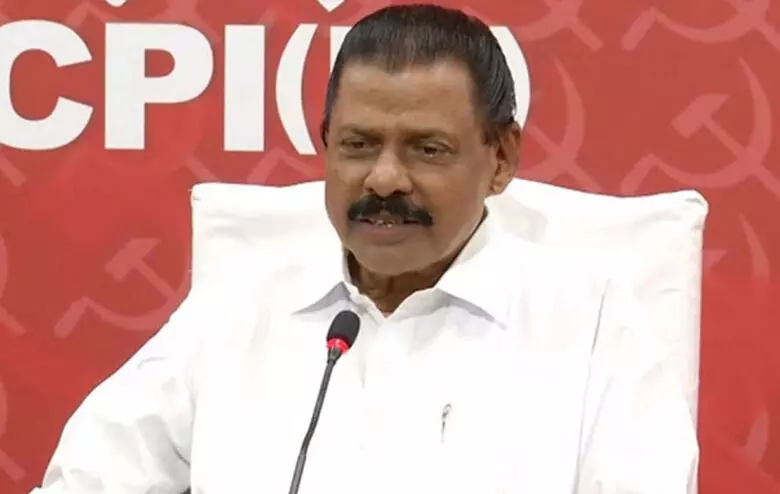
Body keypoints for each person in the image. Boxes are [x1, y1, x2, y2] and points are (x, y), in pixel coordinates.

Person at [31, 3, 698, 493]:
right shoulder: (237, 310)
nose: (383, 179)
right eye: (357, 145)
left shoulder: (594, 325)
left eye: (426, 149)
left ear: (500, 159)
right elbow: (89, 479)